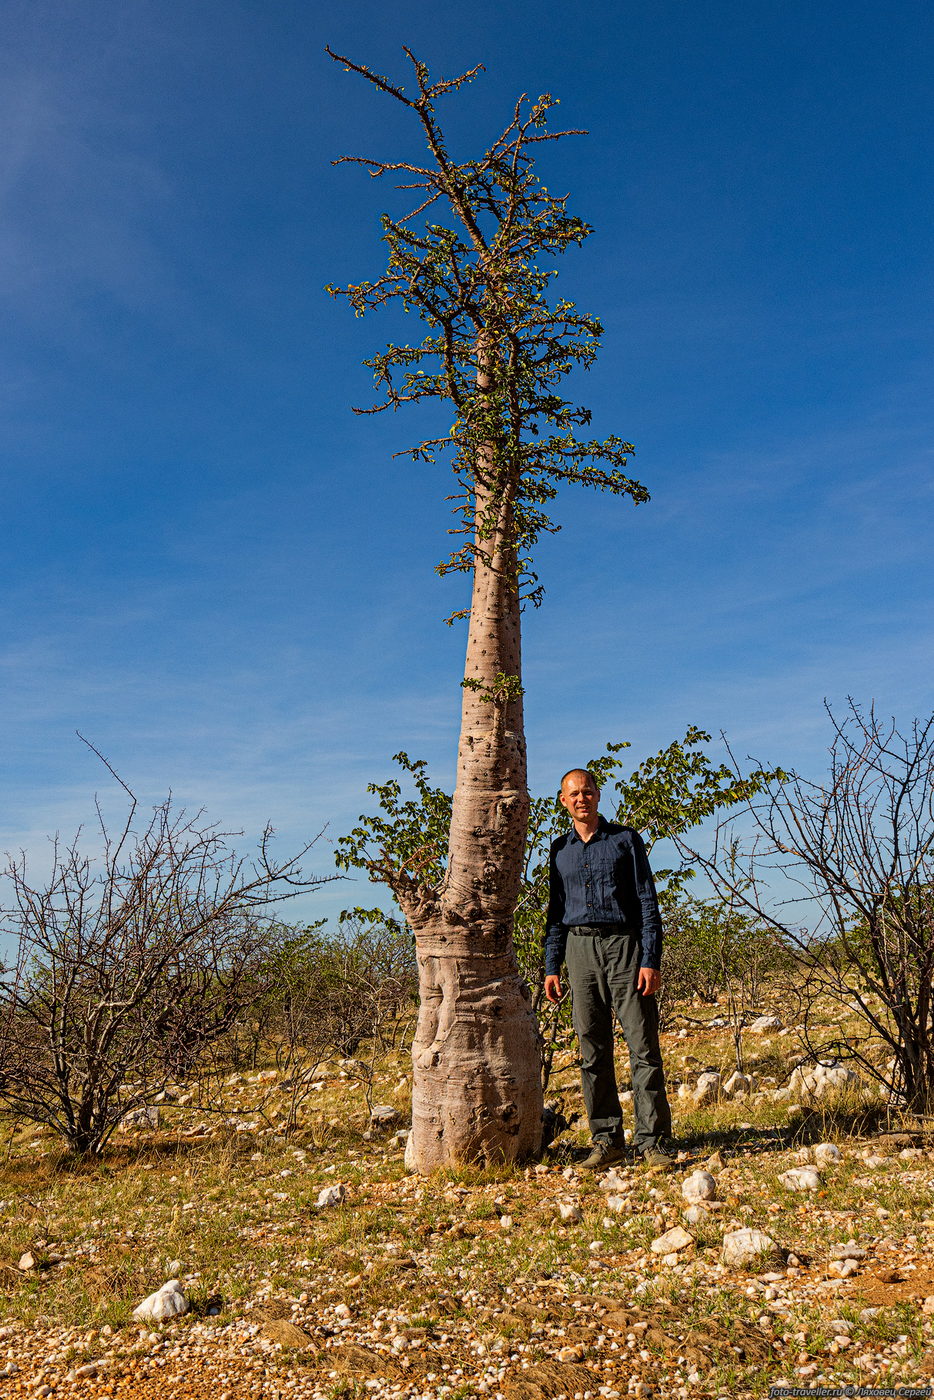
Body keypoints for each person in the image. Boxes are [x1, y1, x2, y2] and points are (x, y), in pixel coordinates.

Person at [544, 768, 674, 1170]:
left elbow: (648, 904)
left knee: (643, 1047)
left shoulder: (625, 841)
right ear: (563, 801)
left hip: (625, 946)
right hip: (579, 950)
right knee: (591, 1050)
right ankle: (607, 1141)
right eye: (573, 794)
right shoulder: (559, 850)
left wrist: (650, 959)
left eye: (587, 792)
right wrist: (552, 966)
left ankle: (653, 1143)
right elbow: (555, 914)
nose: (581, 799)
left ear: (598, 796)